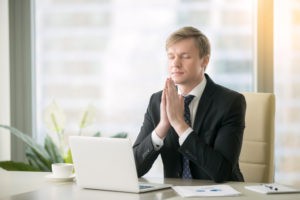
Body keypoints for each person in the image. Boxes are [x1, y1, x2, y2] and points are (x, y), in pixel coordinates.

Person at [133, 26, 246, 183]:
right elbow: (133, 168)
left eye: (185, 57)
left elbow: (223, 173)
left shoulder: (230, 103)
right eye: (171, 57)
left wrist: (179, 124)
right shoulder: (157, 101)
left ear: (204, 61)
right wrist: (163, 126)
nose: (176, 64)